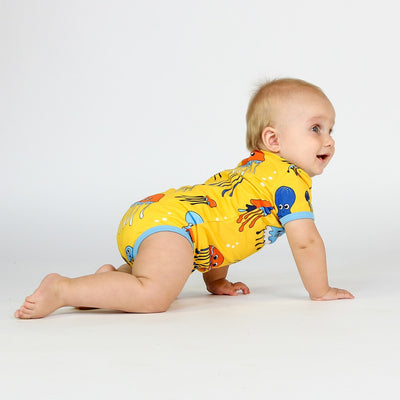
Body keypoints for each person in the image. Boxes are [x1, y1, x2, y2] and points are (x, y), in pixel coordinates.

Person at [14, 78, 354, 319]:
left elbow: (222, 226)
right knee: (155, 296)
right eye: (315, 129)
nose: (328, 141)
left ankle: (110, 280)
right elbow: (306, 242)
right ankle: (63, 289)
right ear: (273, 139)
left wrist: (216, 280)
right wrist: (320, 290)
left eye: (330, 130)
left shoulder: (252, 171)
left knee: (148, 276)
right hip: (171, 228)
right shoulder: (288, 181)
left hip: (153, 217)